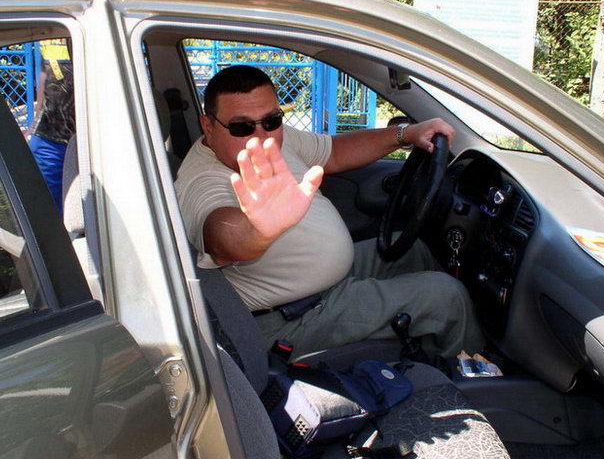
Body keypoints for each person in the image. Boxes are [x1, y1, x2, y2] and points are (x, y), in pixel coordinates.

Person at [175, 65, 484, 359]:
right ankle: (475, 376)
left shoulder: (274, 139)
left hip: (325, 283)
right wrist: (259, 231)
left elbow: (333, 152)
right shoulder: (200, 181)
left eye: (271, 120)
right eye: (241, 127)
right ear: (208, 126)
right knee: (447, 296)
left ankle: (441, 354)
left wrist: (406, 134)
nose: (262, 137)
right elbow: (222, 238)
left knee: (415, 251)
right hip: (290, 316)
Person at [28, 0, 81, 211]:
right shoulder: (47, 18)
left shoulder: (86, 15)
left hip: (84, 139)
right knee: (44, 209)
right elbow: (45, 73)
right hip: (48, 134)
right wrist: (35, 119)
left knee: (81, 213)